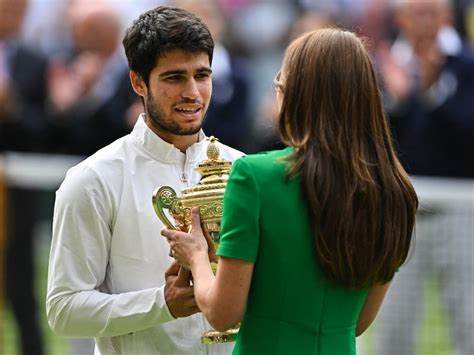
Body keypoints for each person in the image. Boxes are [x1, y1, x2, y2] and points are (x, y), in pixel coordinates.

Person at [162, 28, 419, 355]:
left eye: (280, 82)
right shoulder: (395, 189)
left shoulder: (255, 176)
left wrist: (197, 255)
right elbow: (358, 323)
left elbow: (223, 314)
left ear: (294, 93)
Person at [46, 6, 243, 354]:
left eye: (202, 75)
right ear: (138, 81)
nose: (193, 92)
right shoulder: (93, 180)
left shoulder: (244, 171)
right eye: (174, 77)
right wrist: (162, 304)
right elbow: (64, 310)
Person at [374, 0, 474, 354]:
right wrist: (399, 102)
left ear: (447, 17)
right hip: (401, 215)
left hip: (461, 213)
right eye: (417, 12)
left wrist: (431, 92)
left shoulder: (467, 65)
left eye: (432, 12)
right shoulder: (384, 68)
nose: (425, 21)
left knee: (468, 321)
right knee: (392, 330)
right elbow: (378, 143)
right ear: (401, 18)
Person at [0, 0, 49, 353]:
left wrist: (11, 107)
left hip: (15, 191)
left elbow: (43, 130)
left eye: (17, 11)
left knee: (20, 282)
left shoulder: (34, 60)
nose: (9, 18)